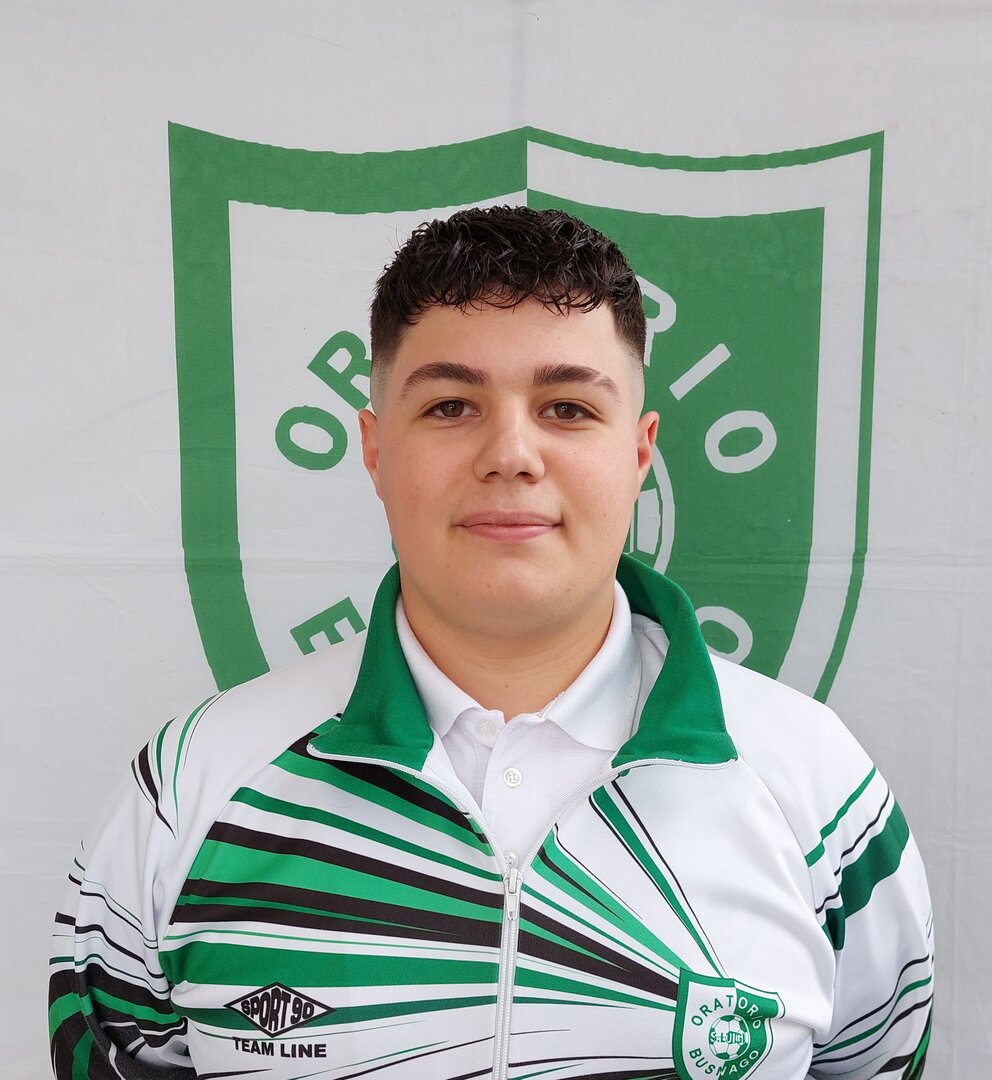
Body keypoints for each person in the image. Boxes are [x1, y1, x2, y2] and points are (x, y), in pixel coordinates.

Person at [49, 207, 933, 1079]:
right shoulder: (191, 789)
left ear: (639, 452)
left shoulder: (815, 785)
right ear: (375, 449)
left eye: (567, 408)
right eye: (451, 405)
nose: (511, 454)